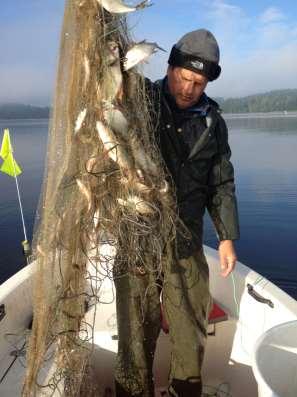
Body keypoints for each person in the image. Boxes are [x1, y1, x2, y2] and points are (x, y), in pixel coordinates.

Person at [114, 29, 240, 397]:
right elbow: (110, 84)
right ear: (169, 68)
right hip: (137, 235)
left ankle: (182, 391)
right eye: (184, 78)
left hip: (185, 237)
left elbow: (221, 183)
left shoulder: (213, 123)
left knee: (190, 324)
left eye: (198, 83)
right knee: (136, 327)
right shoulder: (140, 100)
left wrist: (227, 237)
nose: (189, 88)